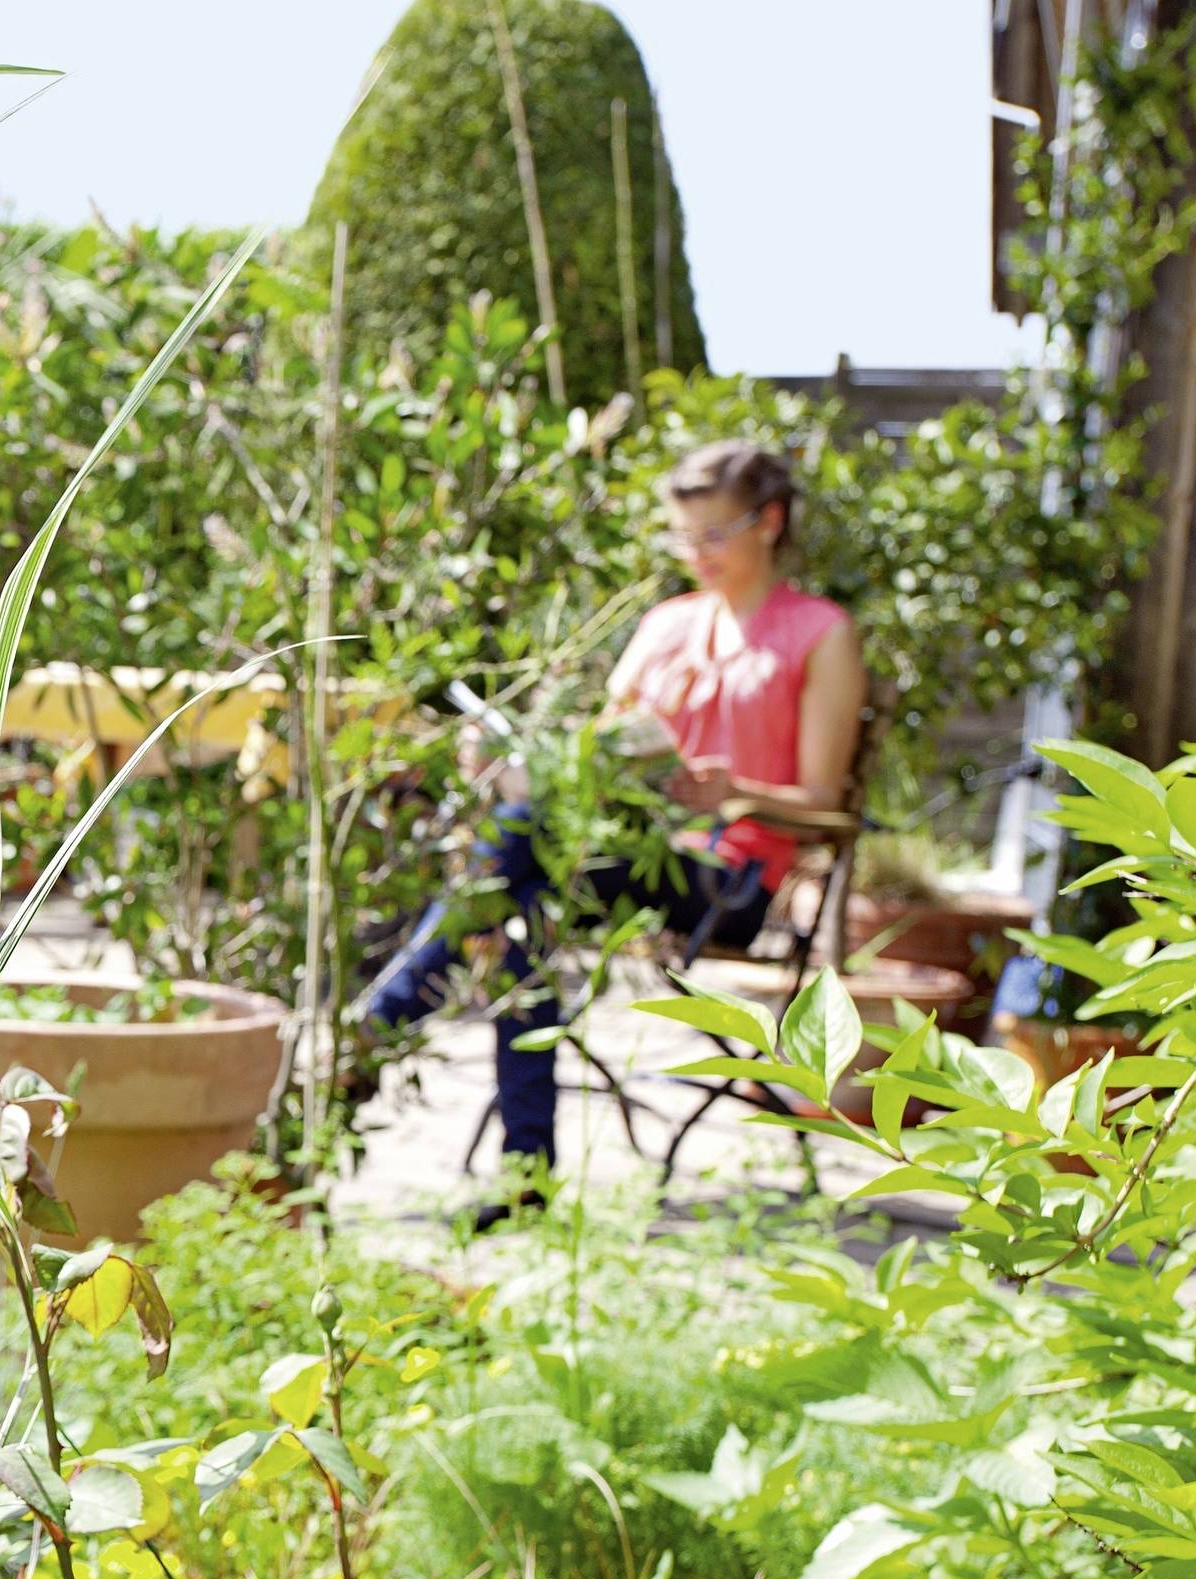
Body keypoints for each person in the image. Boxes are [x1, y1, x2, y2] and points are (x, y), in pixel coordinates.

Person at [356, 441, 866, 1217]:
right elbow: (598, 747)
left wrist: (733, 791)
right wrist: (520, 758)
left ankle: (374, 1029)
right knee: (522, 913)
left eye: (713, 535)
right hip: (614, 848)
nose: (695, 555)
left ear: (769, 522)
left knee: (521, 859)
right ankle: (526, 1178)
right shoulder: (666, 625)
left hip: (726, 878)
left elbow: (825, 799)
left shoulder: (820, 632)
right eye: (682, 537)